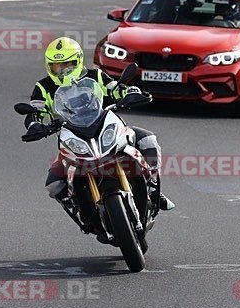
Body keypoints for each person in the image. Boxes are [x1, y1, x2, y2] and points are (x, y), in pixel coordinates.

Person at [22, 37, 174, 211]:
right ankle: (78, 207)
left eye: (67, 64)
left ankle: (153, 188)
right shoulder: (43, 86)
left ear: (78, 61)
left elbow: (114, 88)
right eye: (57, 66)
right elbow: (36, 109)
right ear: (49, 66)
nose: (63, 70)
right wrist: (35, 123)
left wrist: (130, 92)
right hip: (71, 135)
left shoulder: (95, 76)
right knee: (54, 184)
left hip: (103, 124)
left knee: (148, 140)